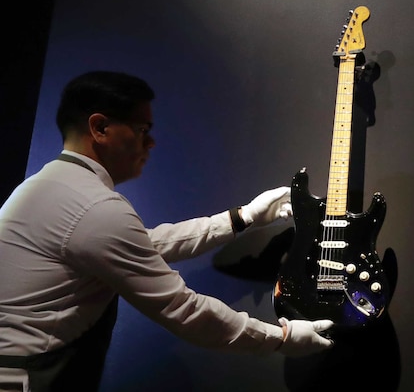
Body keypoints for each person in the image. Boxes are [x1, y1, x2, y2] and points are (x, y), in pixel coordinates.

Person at [0, 71, 334, 392]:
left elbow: (144, 245)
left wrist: (242, 216)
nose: (152, 142)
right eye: (142, 128)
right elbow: (183, 309)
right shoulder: (94, 208)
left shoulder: (48, 187)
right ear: (100, 127)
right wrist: (280, 338)